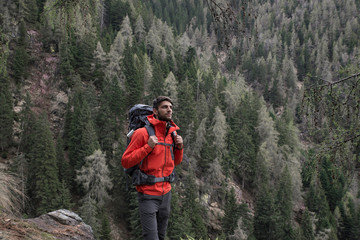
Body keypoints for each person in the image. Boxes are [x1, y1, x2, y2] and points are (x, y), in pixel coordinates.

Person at [121, 96, 184, 240]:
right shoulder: (142, 133)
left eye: (170, 107)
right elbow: (126, 161)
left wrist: (179, 147)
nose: (169, 110)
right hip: (148, 194)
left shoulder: (171, 134)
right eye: (164, 107)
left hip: (166, 194)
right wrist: (147, 147)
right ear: (155, 111)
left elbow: (176, 163)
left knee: (161, 237)